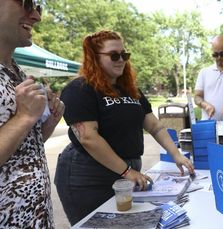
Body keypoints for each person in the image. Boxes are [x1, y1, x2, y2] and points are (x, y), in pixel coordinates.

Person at [54, 30, 195, 225]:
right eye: (114, 55)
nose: (121, 60)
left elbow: (154, 126)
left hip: (124, 173)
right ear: (94, 57)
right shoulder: (79, 89)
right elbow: (88, 138)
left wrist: (176, 154)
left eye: (124, 55)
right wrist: (127, 172)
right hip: (86, 176)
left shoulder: (130, 89)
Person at [0, 1, 65, 228]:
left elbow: (23, 153)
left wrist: (46, 124)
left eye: (39, 6)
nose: (36, 15)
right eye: (27, 2)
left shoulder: (17, 71)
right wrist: (24, 118)